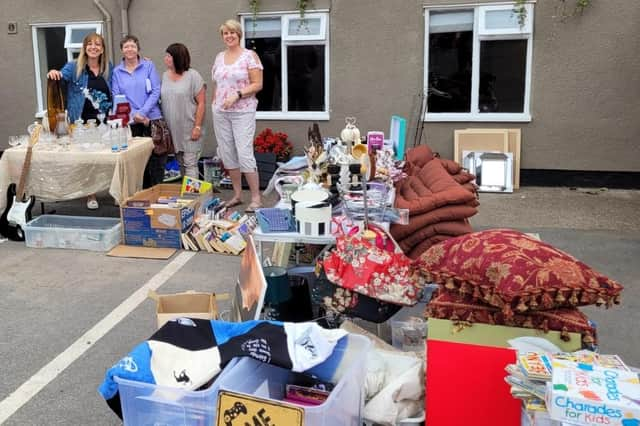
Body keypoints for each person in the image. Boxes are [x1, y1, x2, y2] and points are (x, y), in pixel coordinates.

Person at [47, 32, 112, 210]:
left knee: (108, 158)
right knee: (87, 160)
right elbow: (60, 76)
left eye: (97, 44)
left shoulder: (108, 67)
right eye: (90, 44)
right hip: (82, 123)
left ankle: (113, 191)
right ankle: (90, 194)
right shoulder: (74, 66)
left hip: (105, 121)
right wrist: (54, 72)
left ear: (102, 49)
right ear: (84, 48)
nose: (93, 47)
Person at [211, 19, 264, 212]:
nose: (229, 36)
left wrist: (238, 94)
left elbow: (258, 84)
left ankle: (256, 198)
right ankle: (237, 195)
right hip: (220, 112)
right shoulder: (219, 57)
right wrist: (214, 104)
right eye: (225, 33)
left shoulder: (250, 56)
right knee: (227, 153)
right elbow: (217, 84)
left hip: (243, 111)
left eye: (232, 32)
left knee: (244, 153)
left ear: (239, 34)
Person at [111, 35, 165, 188]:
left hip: (151, 118)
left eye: (132, 46)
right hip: (131, 121)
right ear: (122, 50)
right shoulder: (117, 72)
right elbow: (117, 96)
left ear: (138, 49)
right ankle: (139, 196)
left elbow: (155, 91)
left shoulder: (148, 66)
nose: (130, 49)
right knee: (136, 163)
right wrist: (135, 115)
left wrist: (143, 112)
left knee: (155, 162)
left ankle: (156, 193)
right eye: (126, 46)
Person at [161, 43, 206, 179]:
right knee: (180, 163)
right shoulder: (164, 76)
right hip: (173, 131)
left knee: (190, 164)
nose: (165, 58)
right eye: (166, 55)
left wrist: (197, 127)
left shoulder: (193, 76)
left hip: (190, 128)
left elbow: (202, 103)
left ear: (178, 58)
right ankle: (186, 195)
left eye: (169, 56)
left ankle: (194, 197)